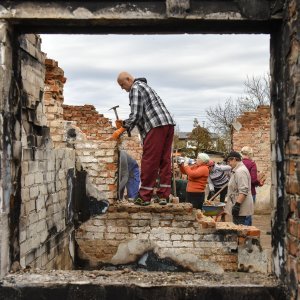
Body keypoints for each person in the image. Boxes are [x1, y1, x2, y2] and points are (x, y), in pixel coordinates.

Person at [111, 72, 175, 206]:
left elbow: (136, 114)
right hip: (168, 124)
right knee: (164, 160)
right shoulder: (145, 86)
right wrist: (125, 123)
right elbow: (141, 112)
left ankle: (144, 196)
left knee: (149, 160)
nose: (123, 88)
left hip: (155, 125)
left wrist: (122, 128)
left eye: (122, 85)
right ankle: (164, 195)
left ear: (129, 79)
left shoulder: (135, 88)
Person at [224, 151, 254, 225]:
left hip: (241, 207)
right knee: (239, 229)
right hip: (238, 205)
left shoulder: (240, 171)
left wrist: (237, 205)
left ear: (234, 159)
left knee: (240, 231)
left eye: (229, 161)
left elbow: (244, 190)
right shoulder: (237, 170)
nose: (228, 164)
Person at [240, 146, 263, 226]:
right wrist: (259, 182)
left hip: (239, 192)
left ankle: (239, 233)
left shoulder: (238, 163)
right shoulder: (252, 164)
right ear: (250, 154)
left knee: (240, 214)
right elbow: (253, 180)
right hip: (250, 192)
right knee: (248, 215)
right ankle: (246, 235)